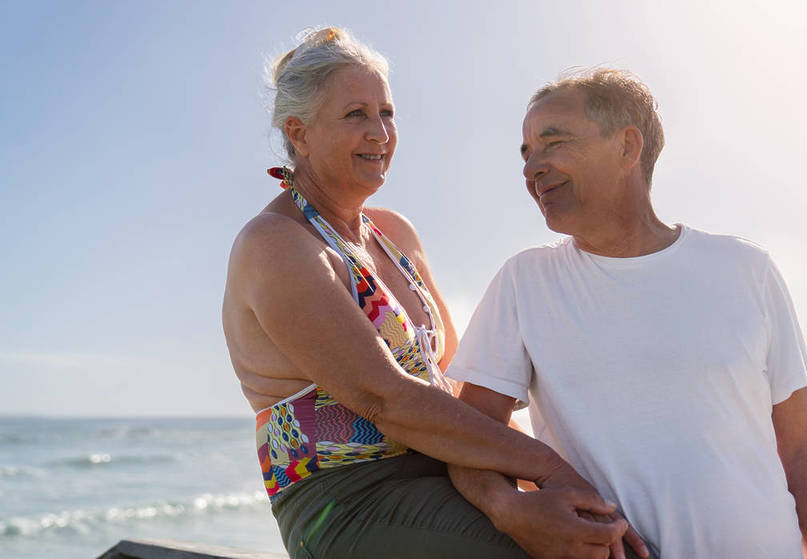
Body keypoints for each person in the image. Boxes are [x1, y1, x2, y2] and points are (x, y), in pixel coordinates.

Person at [222, 28, 648, 559]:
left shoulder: (394, 233)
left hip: (447, 474)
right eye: (356, 114)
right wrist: (552, 469)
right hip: (349, 502)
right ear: (299, 133)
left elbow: (454, 385)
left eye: (387, 112)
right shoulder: (276, 245)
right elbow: (387, 398)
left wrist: (552, 485)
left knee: (614, 529)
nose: (380, 131)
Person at [445, 68, 807, 558]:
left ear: (627, 147)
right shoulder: (523, 282)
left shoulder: (747, 268)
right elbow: (467, 440)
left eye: (553, 143)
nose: (532, 167)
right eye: (527, 153)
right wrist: (509, 510)